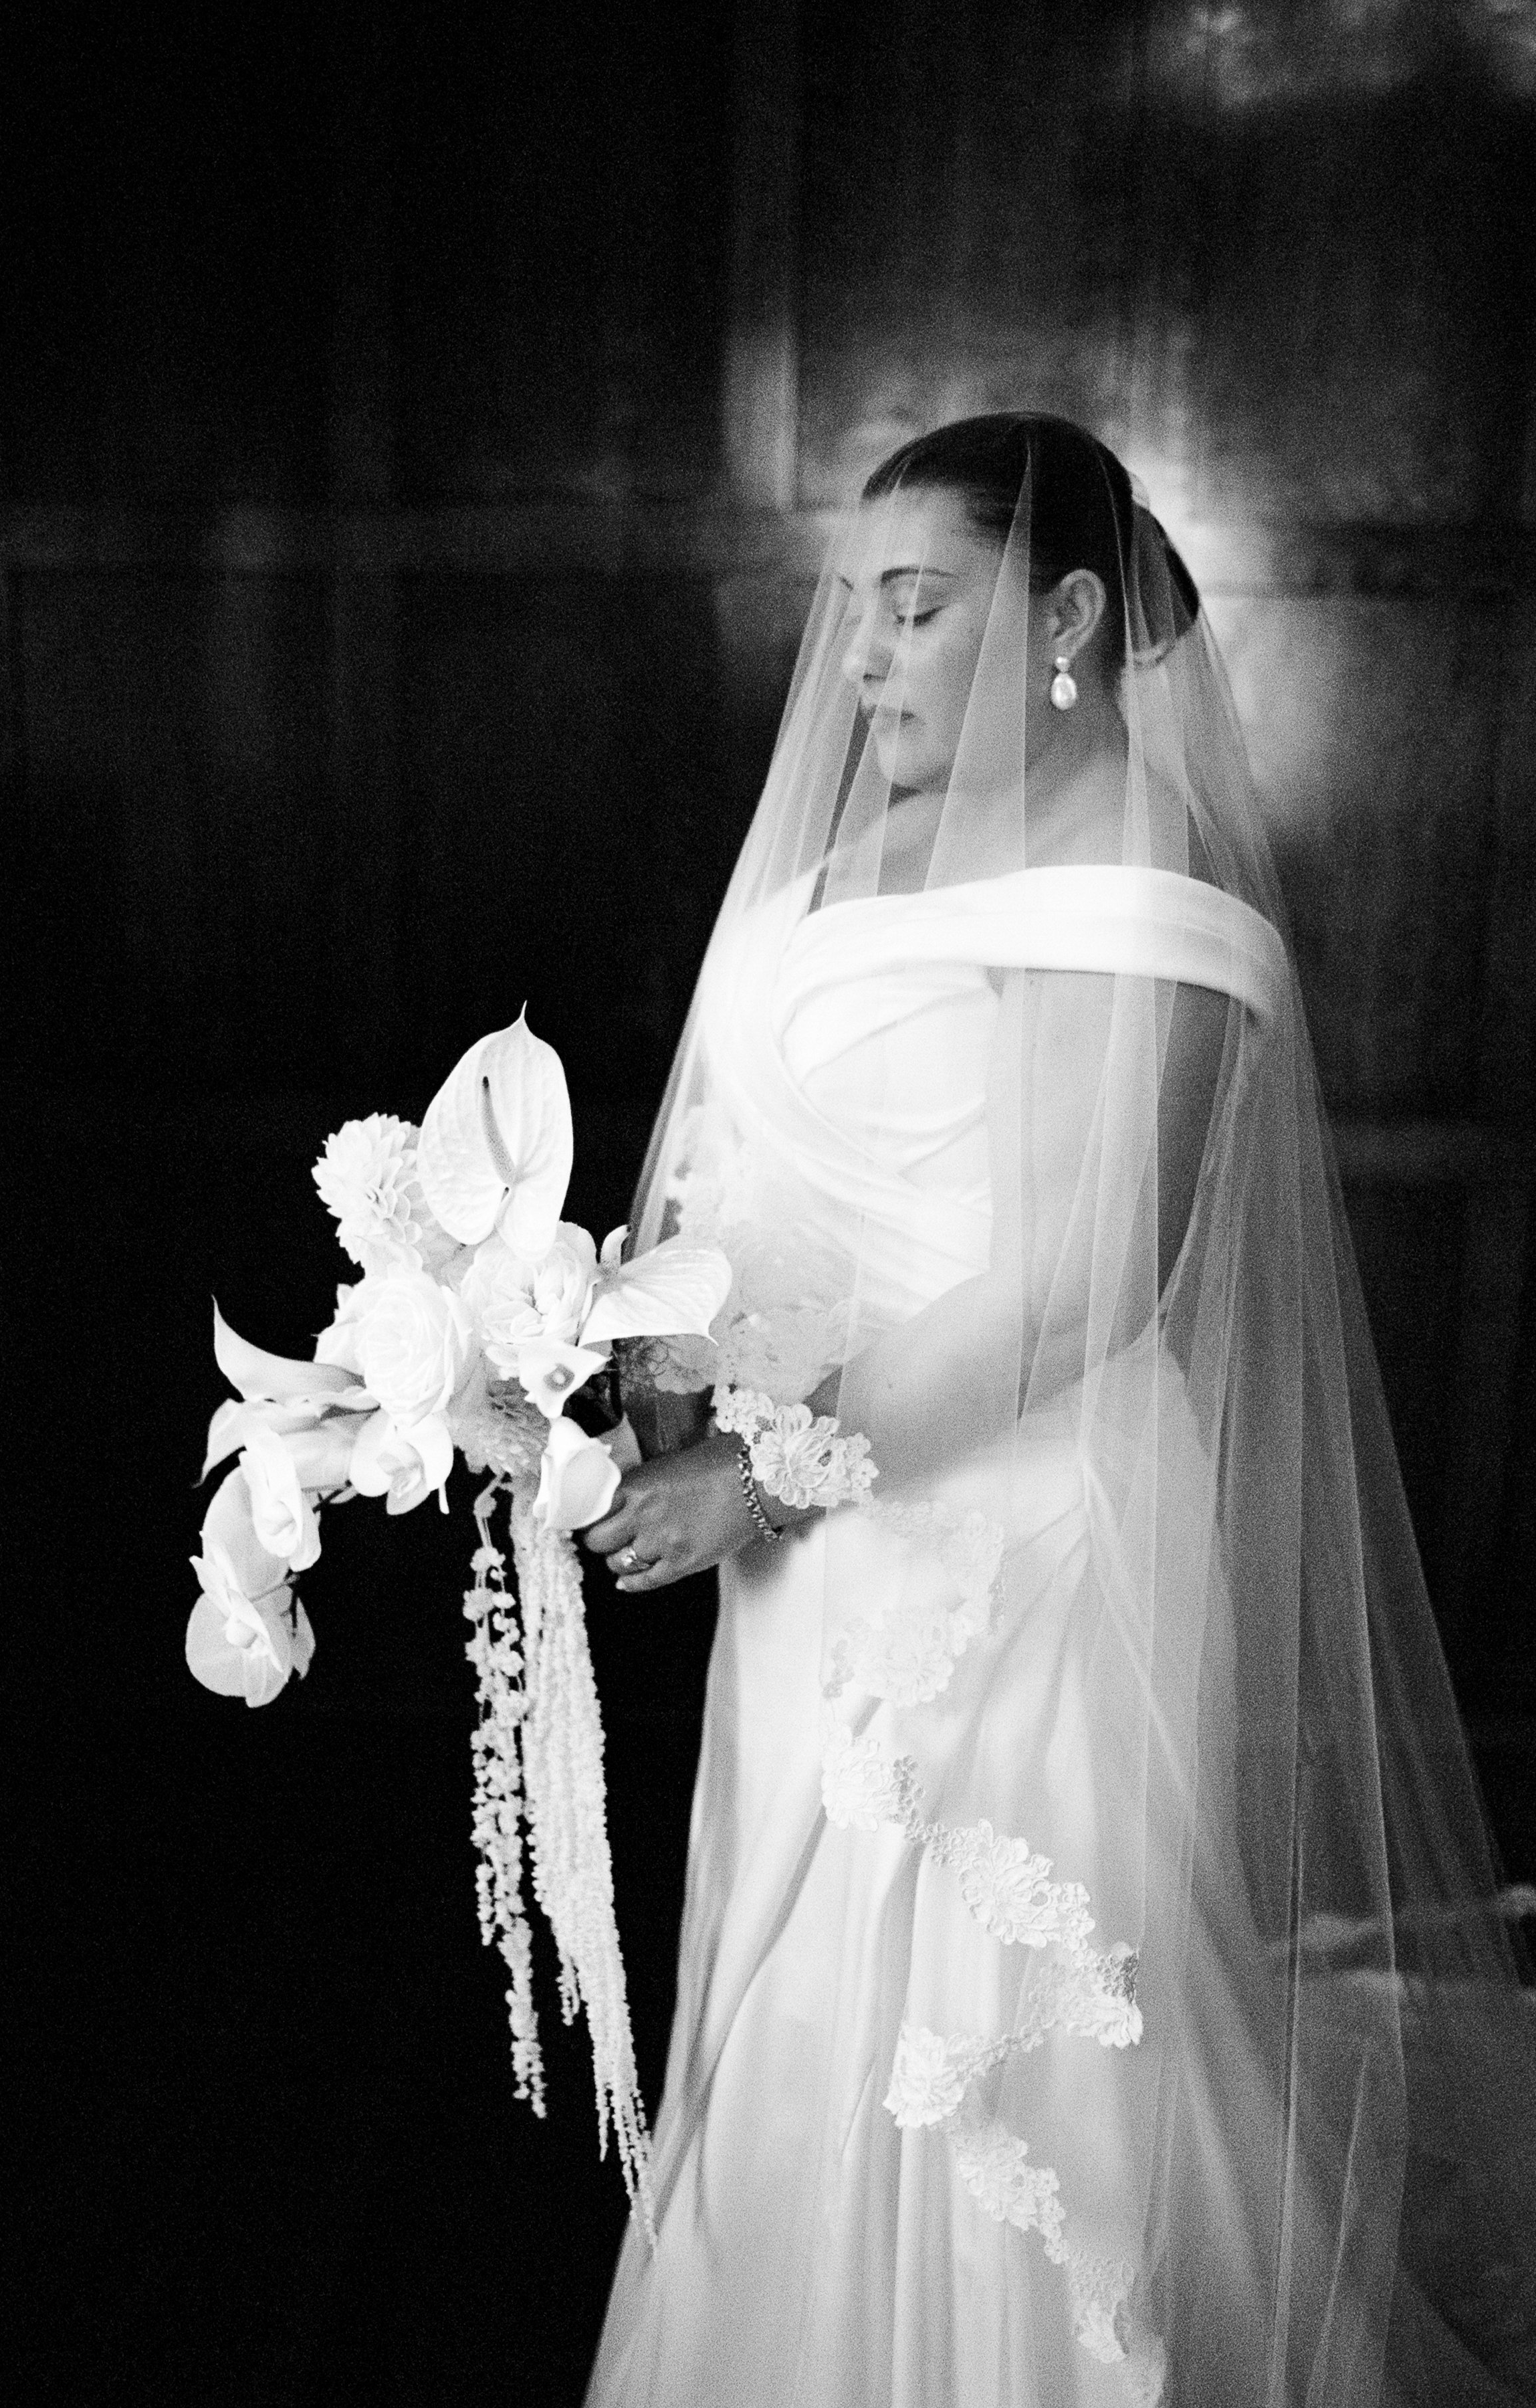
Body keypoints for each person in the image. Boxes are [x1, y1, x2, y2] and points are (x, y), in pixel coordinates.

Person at [579, 415, 1533, 2406]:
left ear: (1065, 617)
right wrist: (601, 1364)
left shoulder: (1142, 885)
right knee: (798, 2018)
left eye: (915, 610)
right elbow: (750, 1199)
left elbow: (1091, 1276)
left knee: (1004, 2041)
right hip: (809, 1560)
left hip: (1022, 1551)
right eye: (855, 615)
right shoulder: (841, 865)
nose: (859, 666)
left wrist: (753, 1478)